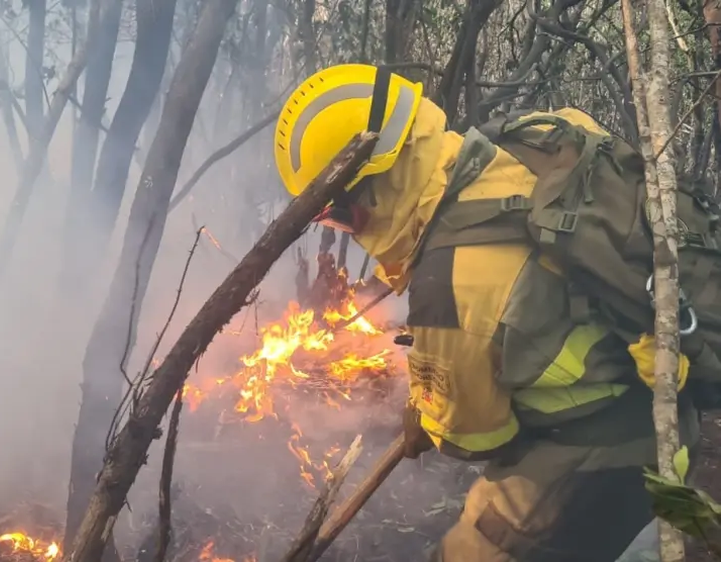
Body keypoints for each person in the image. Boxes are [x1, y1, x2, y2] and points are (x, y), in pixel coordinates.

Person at [273, 63, 703, 561]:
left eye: (339, 215)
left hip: (602, 450)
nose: (349, 229)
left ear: (376, 184)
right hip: (668, 406)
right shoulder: (533, 137)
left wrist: (431, 418)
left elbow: (477, 436)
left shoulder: (449, 286)